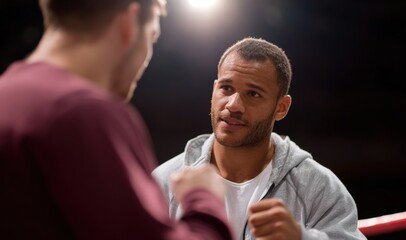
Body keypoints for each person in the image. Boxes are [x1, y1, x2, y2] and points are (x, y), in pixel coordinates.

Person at [0, 0, 233, 239]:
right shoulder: (83, 113)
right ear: (129, 23)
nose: (146, 58)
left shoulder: (6, 94)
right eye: (152, 37)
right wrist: (204, 199)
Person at [152, 37, 367, 240]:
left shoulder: (317, 187)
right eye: (226, 88)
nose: (233, 105)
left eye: (253, 94)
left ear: (281, 108)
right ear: (214, 89)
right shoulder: (165, 182)